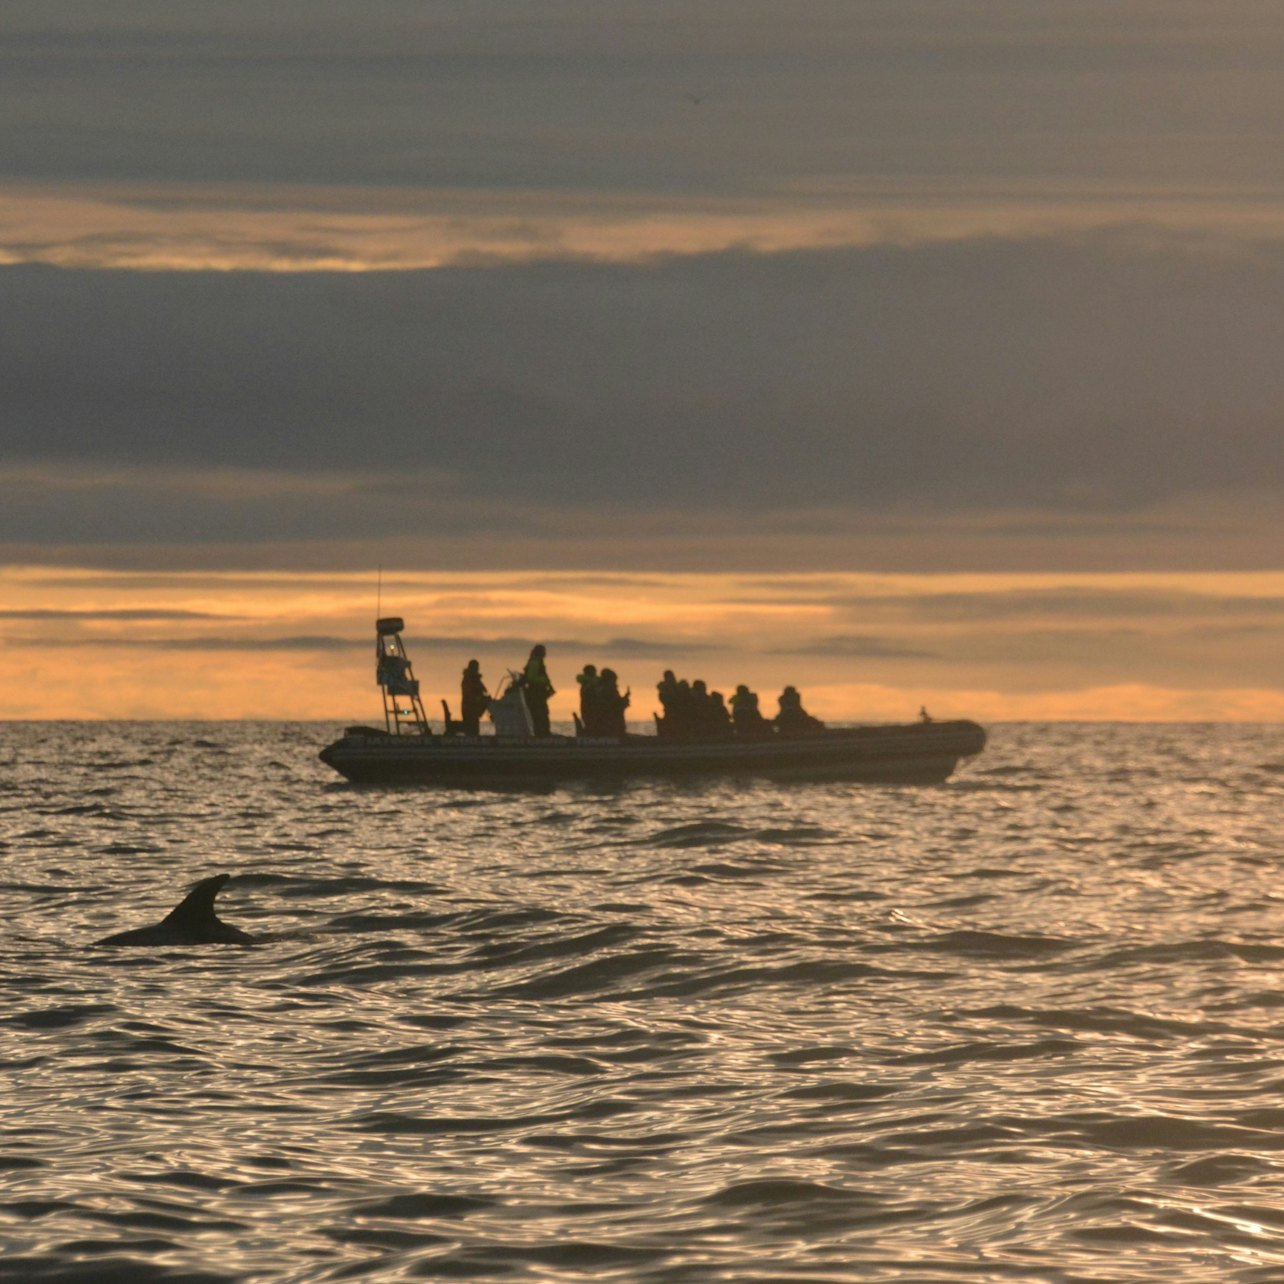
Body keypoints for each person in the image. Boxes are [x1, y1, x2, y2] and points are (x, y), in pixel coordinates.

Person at [522, 643, 555, 736]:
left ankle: (543, 732)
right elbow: (530, 678)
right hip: (536, 692)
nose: (545, 653)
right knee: (540, 712)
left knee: (542, 712)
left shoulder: (537, 662)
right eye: (543, 651)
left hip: (539, 692)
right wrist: (544, 680)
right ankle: (542, 733)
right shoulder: (535, 662)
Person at [596, 668, 631, 736]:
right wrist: (624, 701)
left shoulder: (602, 689)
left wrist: (625, 697)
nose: (615, 682)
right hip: (610, 724)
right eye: (614, 680)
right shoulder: (607, 690)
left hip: (611, 724)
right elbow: (614, 706)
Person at [460, 659, 489, 736]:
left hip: (474, 708)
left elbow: (484, 690)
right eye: (475, 667)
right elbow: (469, 695)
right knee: (472, 731)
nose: (477, 669)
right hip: (469, 709)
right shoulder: (468, 679)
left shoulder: (475, 679)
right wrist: (479, 698)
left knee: (474, 729)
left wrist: (485, 698)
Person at [577, 664, 600, 734]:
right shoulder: (585, 681)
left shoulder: (596, 681)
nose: (594, 673)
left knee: (594, 721)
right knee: (588, 720)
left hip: (595, 705)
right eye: (592, 671)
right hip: (587, 704)